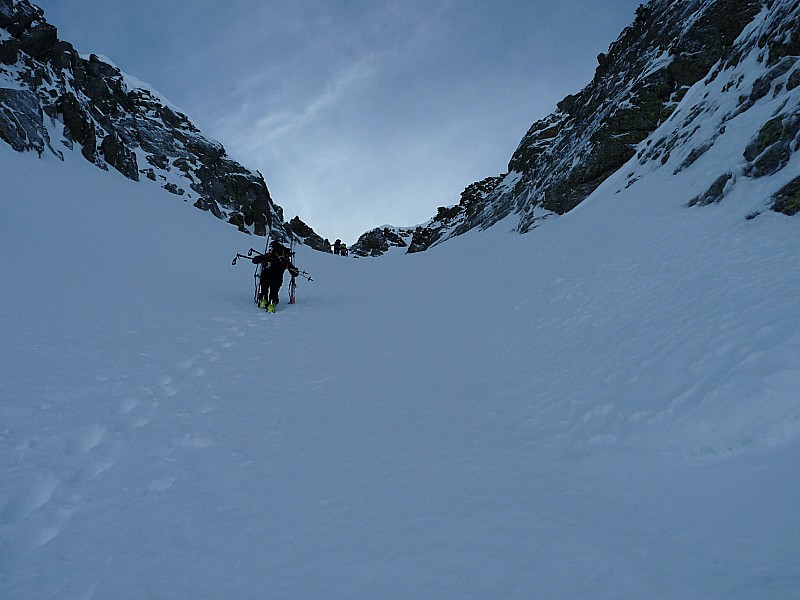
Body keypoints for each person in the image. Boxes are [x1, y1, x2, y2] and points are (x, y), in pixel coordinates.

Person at [252, 241, 299, 311]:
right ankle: (272, 303)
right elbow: (294, 273)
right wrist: (295, 271)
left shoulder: (268, 256)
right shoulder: (284, 259)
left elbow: (254, 260)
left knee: (264, 287)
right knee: (274, 290)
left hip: (265, 275)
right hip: (277, 277)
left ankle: (263, 300)